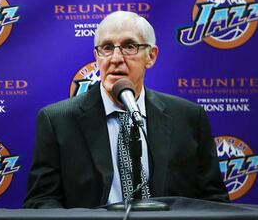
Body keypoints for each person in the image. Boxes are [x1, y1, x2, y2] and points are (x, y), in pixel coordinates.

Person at [23, 11, 228, 208]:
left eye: (129, 46)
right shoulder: (57, 121)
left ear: (151, 56)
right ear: (97, 56)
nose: (115, 58)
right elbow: (41, 202)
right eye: (106, 47)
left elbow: (213, 200)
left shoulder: (189, 118)